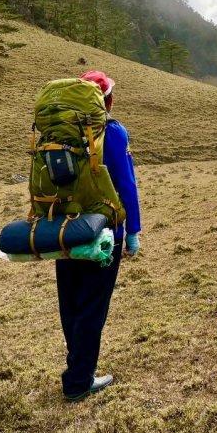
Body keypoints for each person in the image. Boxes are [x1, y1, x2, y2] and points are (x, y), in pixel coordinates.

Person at [55, 69, 141, 402]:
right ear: (107, 99)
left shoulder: (61, 133)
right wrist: (132, 231)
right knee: (93, 305)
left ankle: (76, 368)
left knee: (72, 303)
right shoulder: (113, 132)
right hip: (104, 234)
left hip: (64, 230)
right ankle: (79, 380)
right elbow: (126, 185)